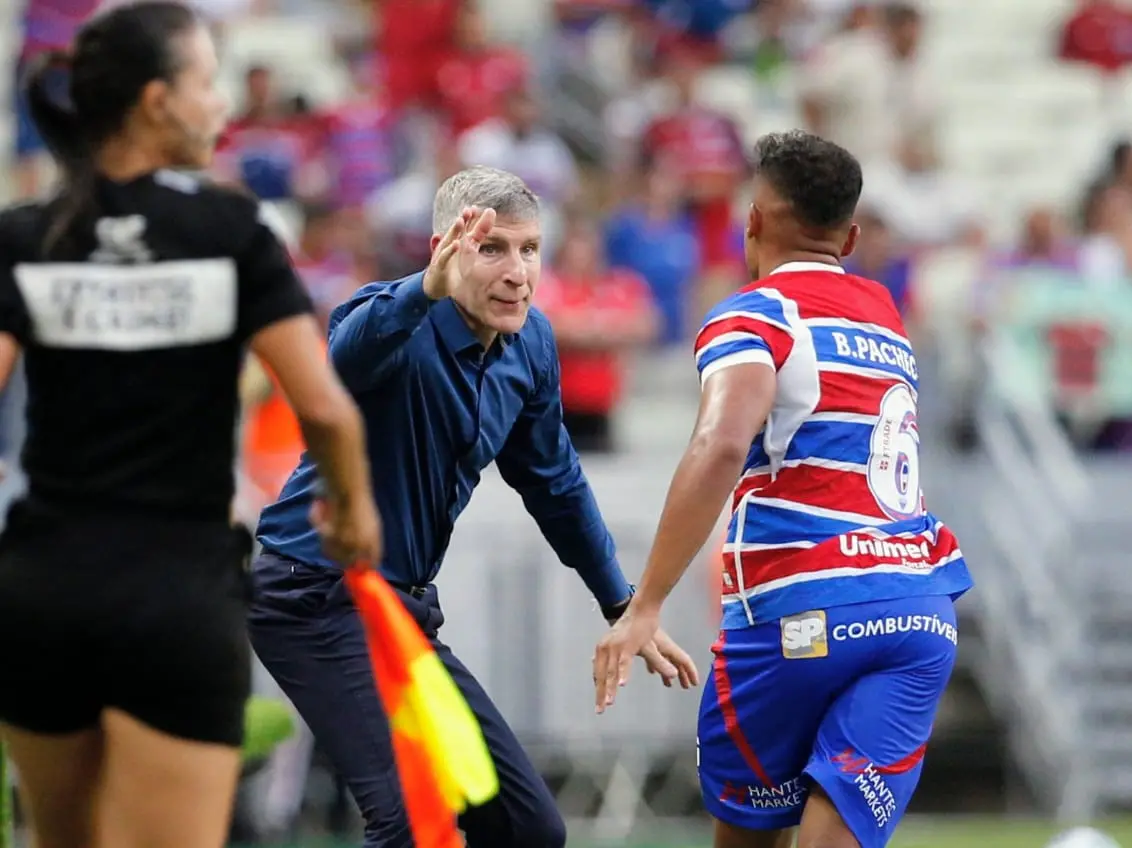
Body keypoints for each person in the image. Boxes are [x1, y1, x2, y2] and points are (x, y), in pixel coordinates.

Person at [0, 4, 381, 848]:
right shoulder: (230, 232)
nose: (221, 106)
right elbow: (324, 409)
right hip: (175, 600)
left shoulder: (25, 235)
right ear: (156, 102)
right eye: (207, 83)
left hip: (40, 595)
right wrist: (351, 512)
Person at [248, 165, 701, 848]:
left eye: (529, 249)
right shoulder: (395, 317)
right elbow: (339, 363)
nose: (517, 271)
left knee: (528, 830)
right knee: (406, 819)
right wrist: (422, 290)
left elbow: (555, 483)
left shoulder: (532, 343)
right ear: (444, 251)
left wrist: (623, 604)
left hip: (399, 610)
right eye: (491, 248)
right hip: (311, 593)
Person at [593, 130, 974, 848]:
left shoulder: (755, 313)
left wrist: (644, 603)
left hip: (799, 612)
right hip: (915, 610)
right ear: (852, 235)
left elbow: (722, 443)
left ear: (754, 221)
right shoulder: (886, 318)